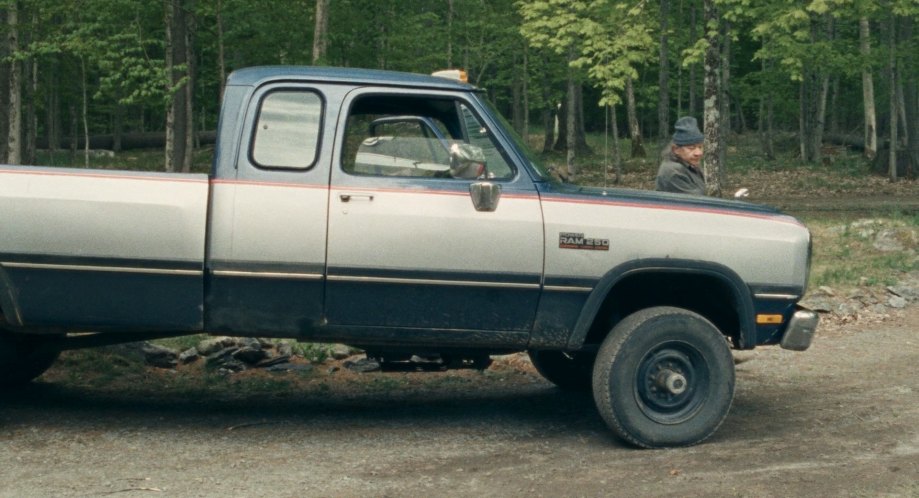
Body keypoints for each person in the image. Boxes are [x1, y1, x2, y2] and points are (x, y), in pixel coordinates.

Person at [656, 116, 706, 195]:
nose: (699, 153)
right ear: (676, 150)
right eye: (691, 148)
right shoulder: (673, 171)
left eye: (700, 147)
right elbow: (695, 202)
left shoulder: (689, 164)